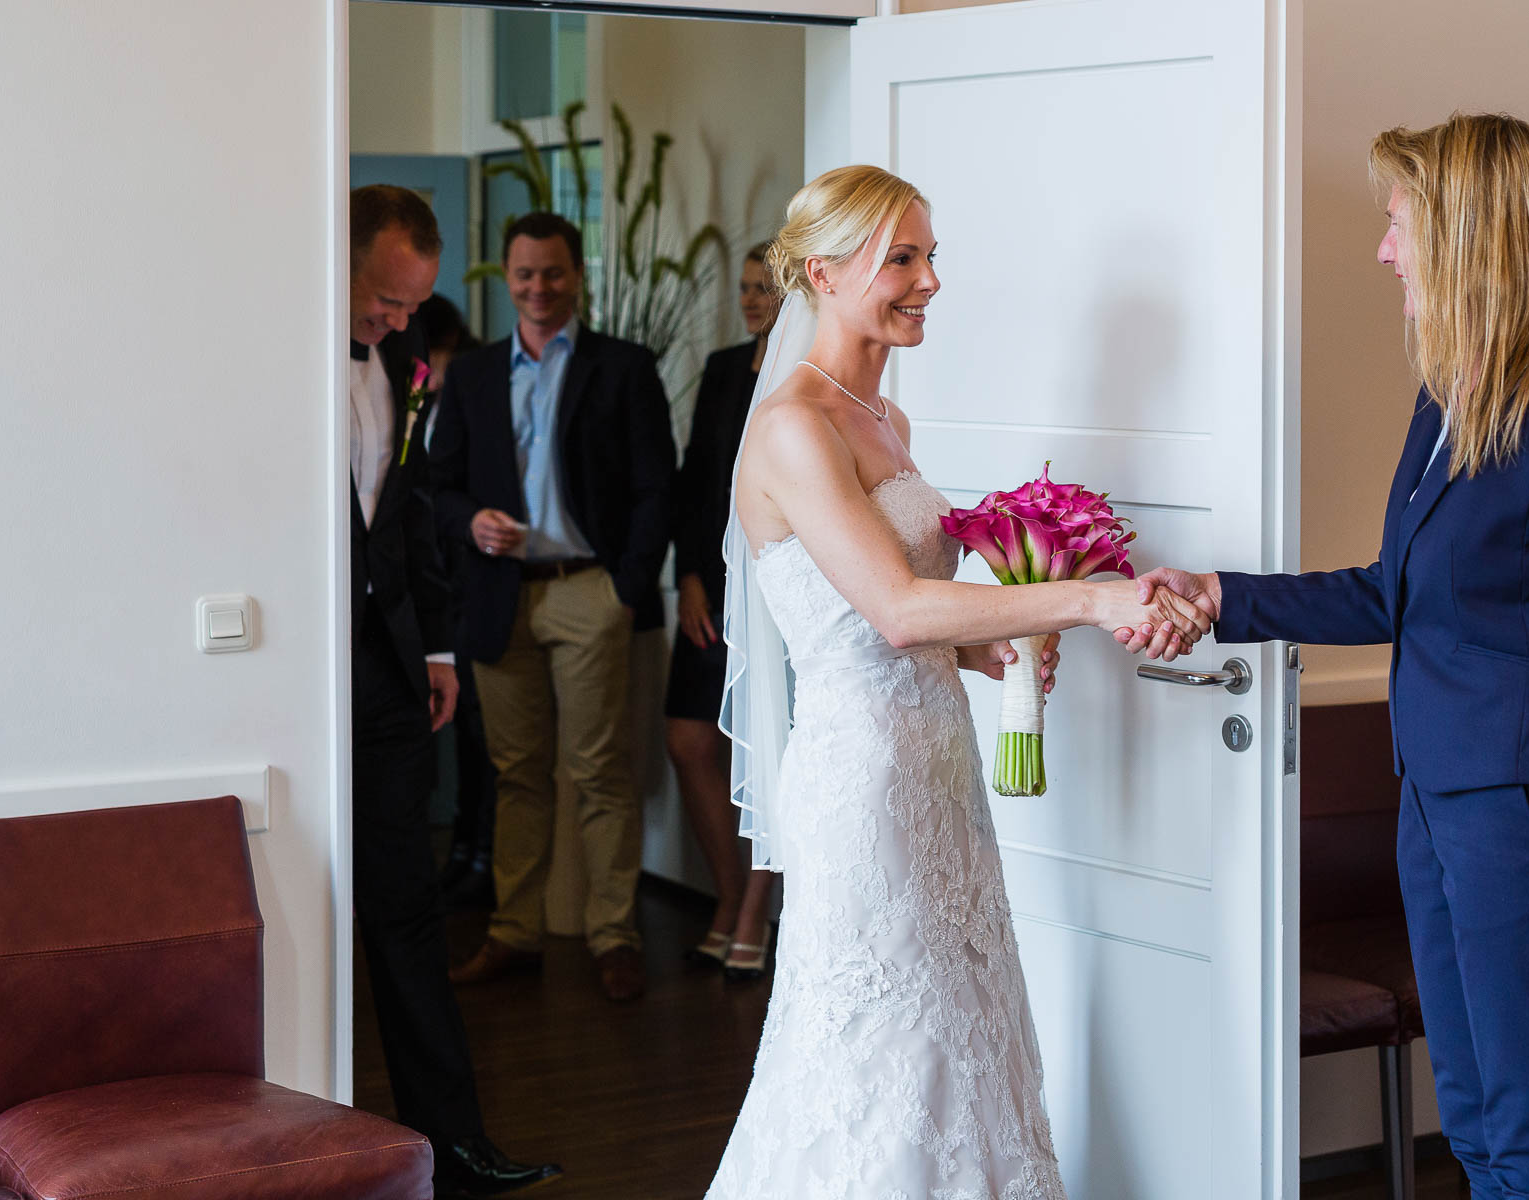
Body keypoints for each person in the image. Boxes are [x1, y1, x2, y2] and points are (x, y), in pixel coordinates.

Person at [1125, 114, 1529, 1200]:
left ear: (1466, 233)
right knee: (1473, 1127)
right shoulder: (1448, 399)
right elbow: (1395, 591)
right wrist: (1223, 596)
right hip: (1435, 808)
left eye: (1396, 223)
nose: (1384, 250)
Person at [705, 165, 1207, 1198]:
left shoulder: (884, 422)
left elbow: (897, 621)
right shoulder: (793, 426)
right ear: (822, 271)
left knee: (968, 1030)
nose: (930, 279)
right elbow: (893, 610)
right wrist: (1089, 599)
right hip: (864, 788)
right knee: (884, 1045)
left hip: (938, 771)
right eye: (903, 257)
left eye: (930, 255)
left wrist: (995, 647)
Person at [345, 186, 560, 1196]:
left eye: (412, 303)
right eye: (383, 299)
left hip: (391, 671)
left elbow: (415, 507)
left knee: (408, 910)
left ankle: (453, 1148)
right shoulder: (264, 343)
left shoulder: (410, 359)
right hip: (288, 674)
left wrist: (436, 650)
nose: (397, 321)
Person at [430, 211, 677, 1003]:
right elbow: (435, 489)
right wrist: (469, 520)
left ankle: (614, 935)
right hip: (501, 598)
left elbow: (655, 489)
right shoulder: (469, 375)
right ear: (508, 278)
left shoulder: (624, 367)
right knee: (517, 775)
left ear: (579, 276)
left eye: (554, 273)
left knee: (601, 770)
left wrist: (624, 589)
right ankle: (515, 932)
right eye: (525, 274)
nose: (539, 288)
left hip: (588, 593)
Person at [666, 243, 779, 979]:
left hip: (776, 589)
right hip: (712, 584)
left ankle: (753, 912)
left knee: (776, 748)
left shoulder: (805, 381)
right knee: (688, 740)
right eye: (743, 288)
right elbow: (697, 481)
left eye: (763, 287)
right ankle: (730, 890)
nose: (750, 299)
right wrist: (689, 580)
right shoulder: (719, 371)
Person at [417, 293, 499, 912]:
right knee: (465, 730)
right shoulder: (426, 385)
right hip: (441, 574)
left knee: (482, 734)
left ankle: (480, 855)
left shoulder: (471, 382)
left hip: (474, 578)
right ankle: (464, 853)